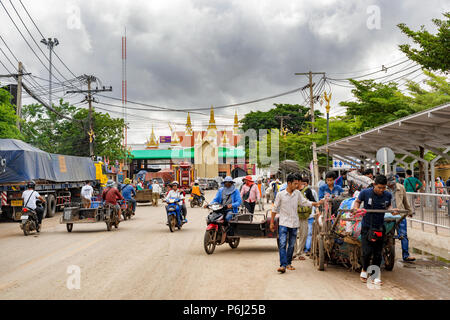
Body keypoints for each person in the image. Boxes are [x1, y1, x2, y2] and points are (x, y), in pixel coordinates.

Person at [270, 174, 322, 273]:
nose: (297, 186)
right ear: (289, 183)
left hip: (294, 223)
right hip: (283, 223)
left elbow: (304, 202)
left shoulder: (297, 193)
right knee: (282, 244)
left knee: (291, 245)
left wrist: (316, 203)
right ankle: (283, 265)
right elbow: (274, 209)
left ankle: (288, 263)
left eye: (297, 184)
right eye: (295, 184)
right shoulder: (280, 194)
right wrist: (272, 222)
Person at [354, 175, 396, 285]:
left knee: (378, 253)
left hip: (380, 227)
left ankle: (375, 276)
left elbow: (389, 206)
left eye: (384, 188)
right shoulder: (365, 193)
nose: (381, 190)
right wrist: (356, 209)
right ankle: (364, 270)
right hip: (367, 226)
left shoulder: (387, 195)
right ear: (374, 185)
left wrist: (392, 210)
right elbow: (357, 201)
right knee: (367, 252)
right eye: (379, 188)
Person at [386, 174, 415, 262]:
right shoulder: (384, 189)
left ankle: (406, 255)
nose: (390, 185)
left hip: (400, 215)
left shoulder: (401, 188)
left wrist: (409, 211)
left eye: (392, 183)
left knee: (403, 235)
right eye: (389, 183)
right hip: (388, 216)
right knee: (386, 235)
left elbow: (405, 201)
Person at [293, 174, 317, 260]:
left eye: (296, 182)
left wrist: (317, 208)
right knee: (293, 235)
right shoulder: (292, 191)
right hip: (294, 216)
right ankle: (294, 252)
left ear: (300, 182)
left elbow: (313, 201)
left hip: (304, 216)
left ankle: (299, 253)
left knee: (304, 235)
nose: (295, 184)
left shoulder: (308, 190)